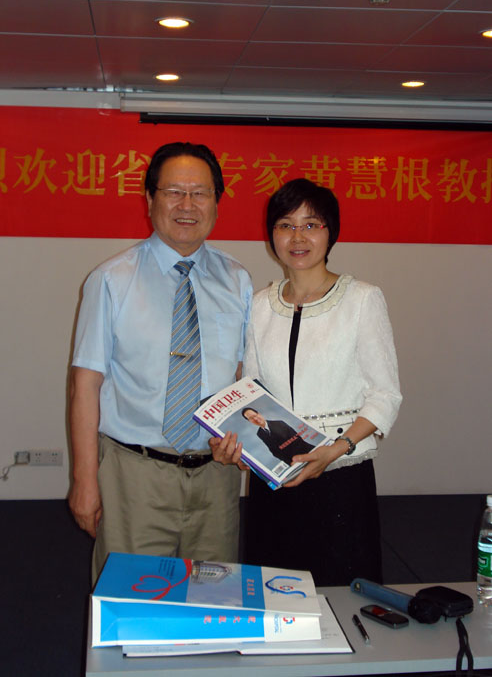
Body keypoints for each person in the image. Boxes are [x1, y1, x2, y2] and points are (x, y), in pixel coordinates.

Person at [68, 141, 252, 580]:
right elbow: (85, 386)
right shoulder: (111, 280)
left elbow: (242, 377)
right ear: (150, 199)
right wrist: (84, 480)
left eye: (200, 193)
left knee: (212, 598)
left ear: (216, 202)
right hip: (135, 476)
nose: (187, 205)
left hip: (215, 477)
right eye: (174, 192)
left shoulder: (237, 280)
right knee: (131, 599)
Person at [211, 178, 402, 586]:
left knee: (344, 595)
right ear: (272, 236)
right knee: (273, 593)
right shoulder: (259, 305)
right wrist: (235, 442)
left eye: (311, 225)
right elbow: (252, 392)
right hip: (273, 478)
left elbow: (385, 395)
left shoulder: (361, 299)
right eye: (285, 225)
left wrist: (335, 450)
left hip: (340, 477)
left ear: (331, 233)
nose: (297, 237)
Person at [241, 407, 315, 465]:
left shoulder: (279, 423)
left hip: (307, 451)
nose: (255, 419)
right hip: (293, 462)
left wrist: (297, 459)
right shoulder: (260, 433)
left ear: (259, 414)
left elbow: (297, 440)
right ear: (249, 421)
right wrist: (290, 462)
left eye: (255, 415)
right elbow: (274, 451)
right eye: (251, 418)